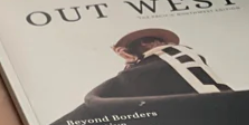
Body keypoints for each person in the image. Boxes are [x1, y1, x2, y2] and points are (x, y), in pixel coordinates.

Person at [85, 28, 231, 104]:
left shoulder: (171, 53)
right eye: (160, 41)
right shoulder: (148, 62)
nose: (163, 44)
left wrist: (133, 63)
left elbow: (133, 80)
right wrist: (132, 61)